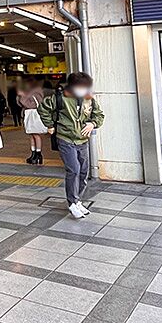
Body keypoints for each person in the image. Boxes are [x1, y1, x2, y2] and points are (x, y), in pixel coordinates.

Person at [40, 72, 104, 219]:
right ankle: (72, 203)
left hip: (82, 140)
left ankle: (77, 200)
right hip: (65, 138)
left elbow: (99, 115)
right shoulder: (59, 97)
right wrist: (50, 125)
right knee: (73, 169)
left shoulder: (89, 98)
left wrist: (92, 123)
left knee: (83, 171)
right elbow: (43, 109)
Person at [19, 78, 48, 164]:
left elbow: (31, 104)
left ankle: (38, 154)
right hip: (30, 116)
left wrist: (23, 96)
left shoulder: (36, 92)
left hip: (33, 116)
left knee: (36, 135)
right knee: (32, 135)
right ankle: (34, 153)